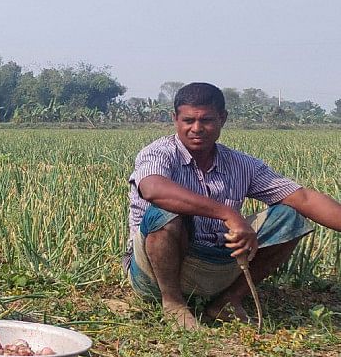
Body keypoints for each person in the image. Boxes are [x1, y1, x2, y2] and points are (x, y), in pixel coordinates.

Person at [127, 83, 341, 328]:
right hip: (155, 269)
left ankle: (228, 301)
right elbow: (154, 189)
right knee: (163, 212)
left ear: (223, 119)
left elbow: (302, 198)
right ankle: (174, 303)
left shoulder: (241, 164)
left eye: (206, 120)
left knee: (289, 217)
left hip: (217, 265)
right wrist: (227, 213)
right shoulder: (158, 153)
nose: (196, 129)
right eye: (188, 120)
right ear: (175, 119)